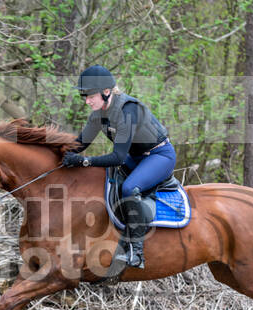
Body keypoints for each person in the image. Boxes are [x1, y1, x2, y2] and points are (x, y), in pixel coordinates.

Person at [63, 65, 176, 269]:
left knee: (128, 188)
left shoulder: (128, 110)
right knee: (104, 180)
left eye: (90, 96)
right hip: (136, 157)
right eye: (84, 96)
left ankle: (136, 250)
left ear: (106, 92)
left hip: (159, 156)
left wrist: (83, 161)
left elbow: (117, 157)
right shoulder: (99, 113)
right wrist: (55, 153)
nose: (87, 101)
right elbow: (80, 144)